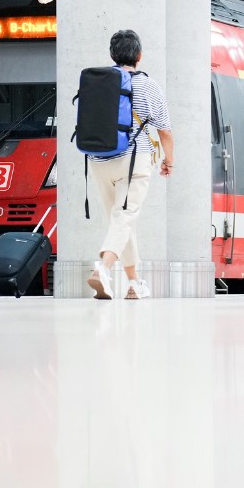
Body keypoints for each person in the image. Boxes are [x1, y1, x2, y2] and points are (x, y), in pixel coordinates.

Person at [85, 30, 174, 300]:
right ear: (139, 56)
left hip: (99, 160)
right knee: (124, 218)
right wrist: (169, 160)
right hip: (134, 160)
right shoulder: (149, 86)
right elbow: (165, 131)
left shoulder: (99, 82)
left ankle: (134, 283)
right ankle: (103, 268)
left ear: (113, 55)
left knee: (122, 221)